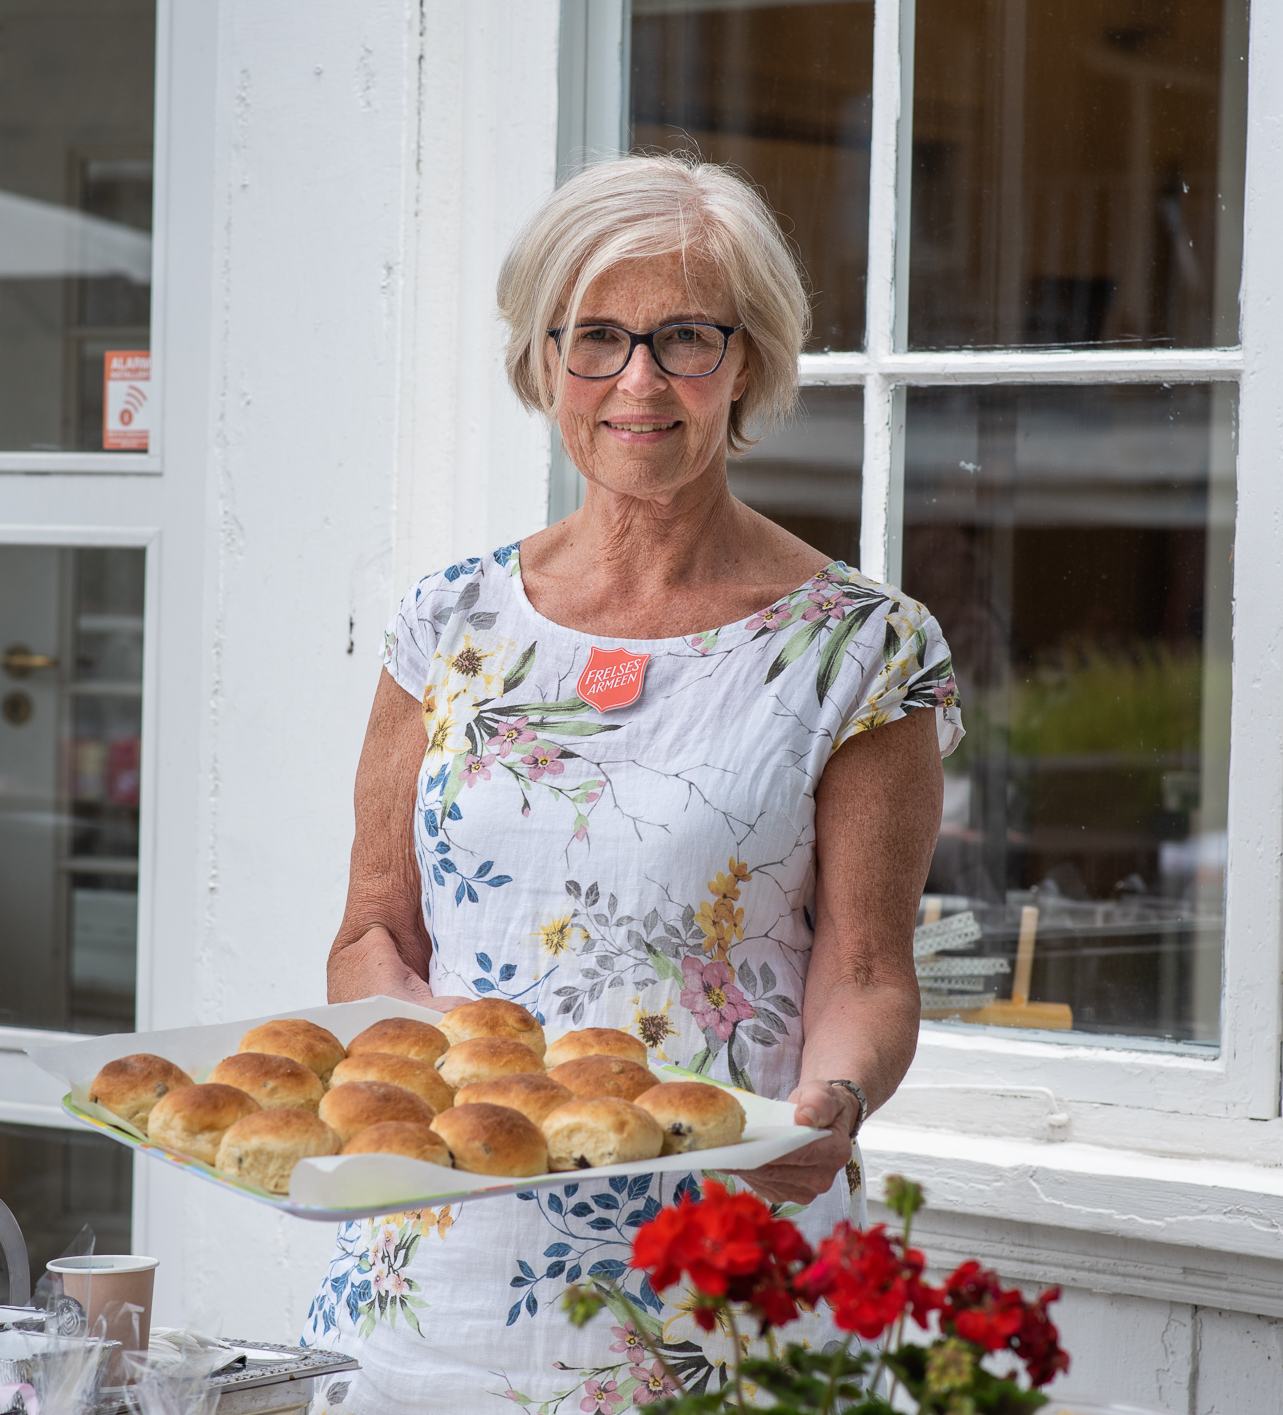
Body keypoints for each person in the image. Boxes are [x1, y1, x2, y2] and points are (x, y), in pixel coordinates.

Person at [308, 153, 960, 1410]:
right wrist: (424, 1064)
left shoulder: (861, 648)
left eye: (685, 337)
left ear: (750, 357)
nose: (638, 380)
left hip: (714, 1269)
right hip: (437, 1264)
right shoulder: (447, 622)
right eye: (597, 336)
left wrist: (835, 1099)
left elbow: (868, 971)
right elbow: (372, 933)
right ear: (543, 356)